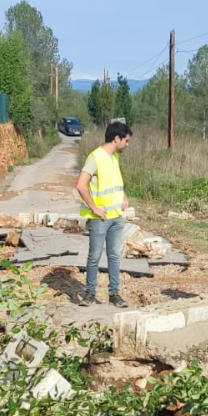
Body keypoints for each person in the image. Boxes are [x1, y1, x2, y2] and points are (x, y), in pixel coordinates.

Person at [76, 121, 132, 307]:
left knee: (114, 256)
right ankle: (90, 294)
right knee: (94, 256)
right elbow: (81, 185)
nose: (127, 144)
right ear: (117, 139)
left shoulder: (114, 157)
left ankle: (114, 294)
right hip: (100, 219)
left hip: (116, 217)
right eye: (126, 140)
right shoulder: (96, 157)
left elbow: (115, 182)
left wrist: (123, 196)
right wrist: (94, 208)